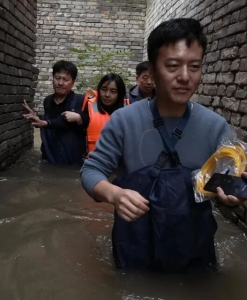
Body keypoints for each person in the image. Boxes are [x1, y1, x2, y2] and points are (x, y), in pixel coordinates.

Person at [80, 18, 246, 272]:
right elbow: (91, 171)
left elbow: (224, 190)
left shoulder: (215, 127)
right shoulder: (124, 121)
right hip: (134, 250)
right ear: (152, 69)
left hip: (194, 254)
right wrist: (115, 195)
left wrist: (233, 196)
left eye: (194, 66)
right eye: (172, 66)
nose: (184, 77)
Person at [23, 60, 86, 164]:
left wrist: (79, 119)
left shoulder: (80, 101)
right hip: (49, 157)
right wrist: (38, 119)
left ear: (73, 82)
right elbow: (52, 124)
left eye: (65, 79)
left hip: (72, 160)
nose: (60, 83)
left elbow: (74, 126)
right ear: (53, 78)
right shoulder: (47, 101)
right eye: (57, 78)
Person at [79, 73, 129, 156]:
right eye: (104, 89)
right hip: (94, 163)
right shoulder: (89, 107)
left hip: (120, 164)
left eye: (113, 91)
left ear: (119, 94)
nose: (107, 95)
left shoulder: (129, 110)